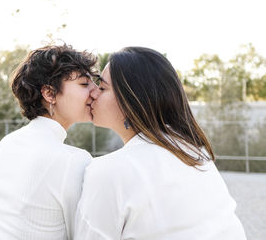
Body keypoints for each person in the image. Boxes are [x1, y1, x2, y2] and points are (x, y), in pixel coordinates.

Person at [74, 47, 246, 240]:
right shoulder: (195, 153)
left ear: (132, 101)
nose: (93, 94)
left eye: (103, 88)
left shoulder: (109, 171)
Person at [0, 45, 97, 240]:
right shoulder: (73, 160)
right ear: (49, 94)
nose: (95, 91)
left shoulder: (8, 142)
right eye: (85, 84)